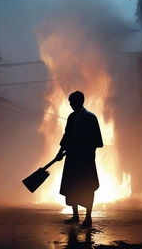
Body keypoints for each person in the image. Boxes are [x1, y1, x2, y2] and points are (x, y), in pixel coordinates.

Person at [55, 91, 103, 228]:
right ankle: (75, 216)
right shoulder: (71, 118)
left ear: (79, 102)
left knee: (87, 187)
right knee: (72, 187)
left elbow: (96, 141)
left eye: (72, 102)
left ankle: (88, 218)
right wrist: (59, 152)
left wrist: (83, 148)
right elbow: (67, 137)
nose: (70, 104)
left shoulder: (90, 118)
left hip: (85, 160)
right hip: (72, 159)